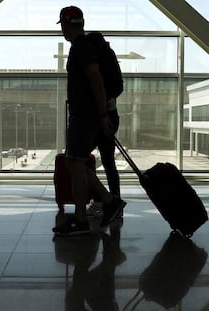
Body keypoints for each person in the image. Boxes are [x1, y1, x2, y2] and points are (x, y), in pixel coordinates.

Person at [53, 6, 126, 236]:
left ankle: (89, 214)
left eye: (63, 25)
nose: (62, 30)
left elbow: (95, 79)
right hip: (89, 115)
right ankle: (101, 205)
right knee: (76, 163)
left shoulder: (81, 47)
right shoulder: (85, 46)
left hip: (86, 117)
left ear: (66, 25)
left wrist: (103, 116)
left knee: (74, 163)